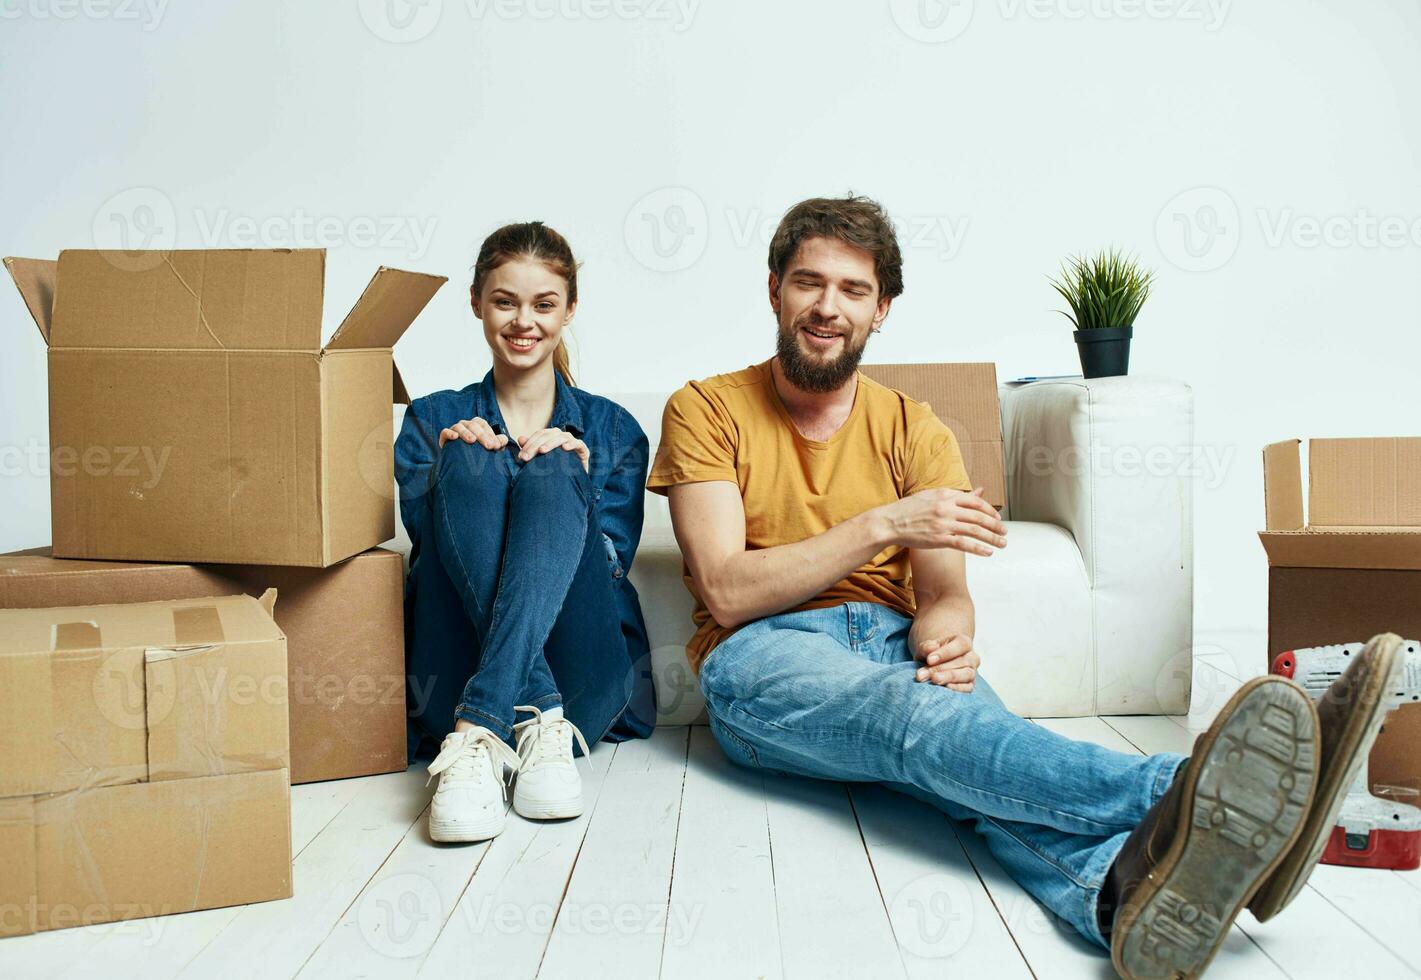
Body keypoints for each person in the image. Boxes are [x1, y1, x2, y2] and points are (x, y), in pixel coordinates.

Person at [646, 195, 1396, 978]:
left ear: (882, 310)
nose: (827, 307)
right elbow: (728, 590)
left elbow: (943, 594)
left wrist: (947, 636)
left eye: (852, 290)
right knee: (915, 719)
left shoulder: (914, 427)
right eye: (808, 283)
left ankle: (1118, 897)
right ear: (774, 290)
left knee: (974, 774)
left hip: (891, 636)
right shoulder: (707, 407)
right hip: (760, 656)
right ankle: (1195, 784)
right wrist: (883, 524)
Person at [396, 221, 655, 843]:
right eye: (505, 301)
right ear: (477, 303)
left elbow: (609, 568)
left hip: (580, 673)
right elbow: (439, 562)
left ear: (569, 310)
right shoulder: (430, 420)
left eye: (543, 304)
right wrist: (459, 470)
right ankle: (513, 720)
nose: (523, 321)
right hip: (453, 666)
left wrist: (575, 479)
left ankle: (485, 728)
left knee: (557, 463)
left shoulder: (614, 429)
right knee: (470, 456)